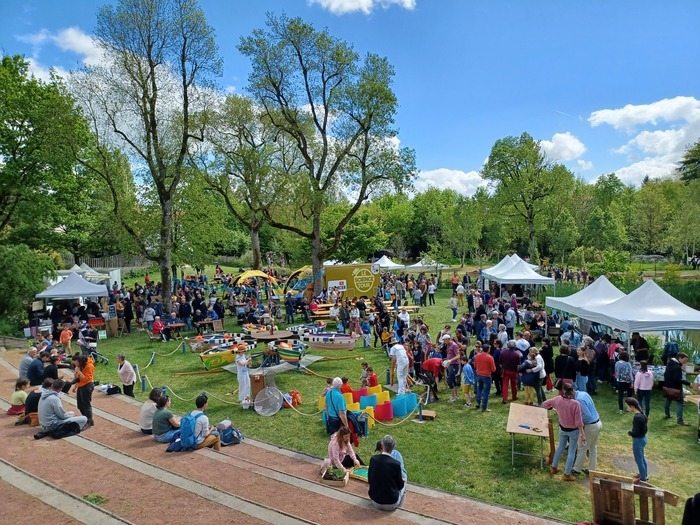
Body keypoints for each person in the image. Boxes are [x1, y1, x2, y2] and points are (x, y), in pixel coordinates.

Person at [542, 383, 585, 481]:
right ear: (572, 390)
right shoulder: (576, 404)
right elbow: (578, 422)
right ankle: (566, 474)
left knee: (561, 446)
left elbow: (544, 404)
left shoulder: (558, 399)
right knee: (572, 451)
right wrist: (582, 434)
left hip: (562, 428)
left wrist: (554, 409)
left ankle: (554, 467)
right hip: (573, 431)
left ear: (563, 390)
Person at [368, 434, 406, 511]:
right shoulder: (396, 464)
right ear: (394, 447)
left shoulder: (373, 459)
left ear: (382, 445)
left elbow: (370, 480)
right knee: (405, 480)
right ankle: (400, 509)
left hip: (374, 500)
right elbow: (401, 486)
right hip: (392, 503)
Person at [572, 383, 602, 476]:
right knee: (593, 448)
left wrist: (578, 422)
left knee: (582, 448)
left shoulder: (578, 400)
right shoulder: (583, 393)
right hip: (598, 423)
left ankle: (576, 469)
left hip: (591, 426)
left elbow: (587, 415)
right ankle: (592, 470)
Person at [664, 352, 691, 426]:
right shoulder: (677, 367)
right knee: (680, 403)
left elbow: (665, 375)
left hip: (668, 387)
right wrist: (689, 383)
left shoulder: (669, 364)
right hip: (676, 388)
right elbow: (677, 379)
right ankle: (680, 421)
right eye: (684, 360)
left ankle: (667, 414)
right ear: (679, 358)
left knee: (668, 400)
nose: (685, 362)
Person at [626, 397, 648, 484]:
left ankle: (643, 480)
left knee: (639, 460)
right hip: (643, 439)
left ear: (632, 406)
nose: (627, 408)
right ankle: (644, 474)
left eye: (627, 406)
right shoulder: (642, 414)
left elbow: (636, 432)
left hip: (638, 440)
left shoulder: (637, 418)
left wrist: (630, 433)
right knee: (642, 458)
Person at [71, 354, 95, 427]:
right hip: (81, 385)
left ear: (80, 361)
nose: (75, 365)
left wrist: (79, 371)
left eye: (76, 363)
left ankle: (89, 420)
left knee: (86, 405)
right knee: (80, 405)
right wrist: (75, 386)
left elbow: (86, 379)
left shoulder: (89, 366)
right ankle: (85, 419)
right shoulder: (79, 366)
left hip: (87, 386)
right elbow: (78, 378)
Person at [474, 344, 496, 412]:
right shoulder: (490, 357)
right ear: (488, 350)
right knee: (486, 391)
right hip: (486, 376)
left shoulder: (477, 355)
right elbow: (493, 369)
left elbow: (475, 365)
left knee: (479, 388)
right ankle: (484, 407)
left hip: (478, 375)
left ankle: (478, 402)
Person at [442, 334, 461, 402]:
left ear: (448, 339)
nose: (444, 342)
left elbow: (458, 355)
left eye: (444, 340)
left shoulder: (454, 345)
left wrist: (450, 360)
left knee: (449, 380)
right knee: (453, 380)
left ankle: (453, 396)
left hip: (454, 364)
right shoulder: (448, 345)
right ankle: (455, 395)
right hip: (449, 364)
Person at [235, 344, 252, 409]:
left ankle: (247, 398)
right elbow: (242, 364)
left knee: (248, 385)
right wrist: (248, 360)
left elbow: (246, 364)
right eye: (243, 351)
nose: (244, 352)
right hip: (241, 375)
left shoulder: (243, 356)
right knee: (242, 387)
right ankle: (242, 399)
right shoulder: (237, 358)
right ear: (240, 351)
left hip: (246, 373)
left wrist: (249, 362)